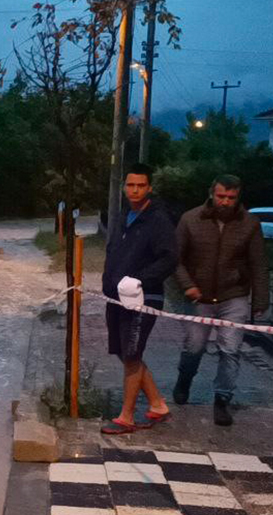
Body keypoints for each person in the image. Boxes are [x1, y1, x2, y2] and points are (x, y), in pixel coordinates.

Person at [171, 175, 269, 426]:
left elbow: (258, 263)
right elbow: (175, 259)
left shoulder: (250, 224)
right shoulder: (190, 220)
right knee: (195, 345)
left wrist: (260, 300)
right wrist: (187, 285)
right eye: (221, 196)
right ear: (212, 194)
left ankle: (222, 400)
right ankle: (185, 379)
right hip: (199, 295)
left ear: (238, 198)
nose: (225, 202)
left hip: (233, 295)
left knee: (230, 349)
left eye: (231, 198)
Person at [100, 163, 178, 435]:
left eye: (140, 185)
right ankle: (157, 405)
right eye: (130, 185)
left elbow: (170, 257)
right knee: (123, 352)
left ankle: (126, 417)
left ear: (149, 188)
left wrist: (141, 279)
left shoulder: (158, 220)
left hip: (143, 298)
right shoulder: (124, 216)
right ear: (124, 187)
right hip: (117, 298)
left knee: (132, 354)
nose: (134, 190)